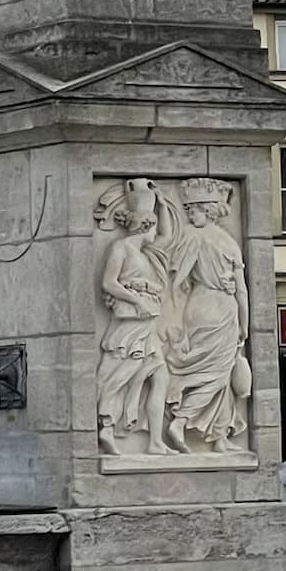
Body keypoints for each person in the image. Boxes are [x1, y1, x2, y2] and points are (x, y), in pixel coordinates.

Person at [164, 179, 250, 455]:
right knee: (215, 373)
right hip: (222, 309)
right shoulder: (228, 243)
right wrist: (245, 324)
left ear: (209, 210)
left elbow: (176, 278)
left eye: (194, 210)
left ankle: (219, 436)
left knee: (220, 375)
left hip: (200, 305)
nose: (190, 215)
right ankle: (180, 420)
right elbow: (242, 289)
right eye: (188, 210)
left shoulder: (192, 237)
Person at [96, 180, 174, 455]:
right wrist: (137, 299)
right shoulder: (121, 248)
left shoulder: (147, 251)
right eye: (154, 225)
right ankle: (106, 427)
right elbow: (109, 282)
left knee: (159, 379)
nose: (158, 234)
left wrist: (163, 204)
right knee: (118, 377)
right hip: (129, 325)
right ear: (146, 225)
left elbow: (167, 235)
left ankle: (154, 441)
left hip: (147, 323)